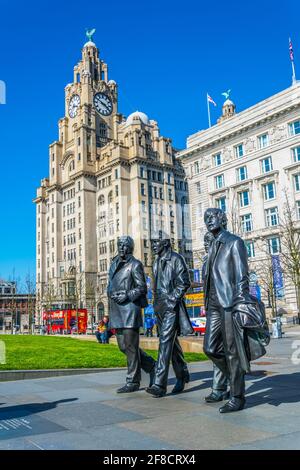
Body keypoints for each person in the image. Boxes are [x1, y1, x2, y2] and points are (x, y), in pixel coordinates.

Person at [203, 208, 268, 413]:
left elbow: (242, 276)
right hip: (213, 304)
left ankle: (237, 396)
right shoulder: (212, 245)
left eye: (212, 217)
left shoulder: (234, 242)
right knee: (210, 348)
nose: (208, 221)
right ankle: (234, 379)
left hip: (229, 303)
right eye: (206, 219)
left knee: (232, 352)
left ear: (222, 219)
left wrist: (241, 303)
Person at [146, 231, 193, 398]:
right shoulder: (157, 261)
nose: (153, 245)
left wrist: (172, 299)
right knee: (171, 344)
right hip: (159, 306)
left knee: (165, 343)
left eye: (156, 242)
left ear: (165, 243)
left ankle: (159, 384)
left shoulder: (176, 259)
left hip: (170, 306)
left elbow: (184, 282)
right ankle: (183, 374)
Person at [107, 235, 156, 393]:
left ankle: (133, 381)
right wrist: (110, 292)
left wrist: (127, 295)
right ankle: (152, 366)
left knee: (131, 347)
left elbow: (142, 288)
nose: (121, 247)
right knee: (123, 347)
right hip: (116, 310)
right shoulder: (114, 263)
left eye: (124, 245)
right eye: (119, 244)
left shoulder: (135, 265)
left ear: (131, 247)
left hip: (129, 310)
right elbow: (111, 283)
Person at [202, 231, 229, 403]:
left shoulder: (226, 252)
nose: (205, 244)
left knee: (225, 348)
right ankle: (233, 373)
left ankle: (219, 388)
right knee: (211, 348)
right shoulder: (206, 261)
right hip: (212, 307)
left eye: (209, 241)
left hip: (226, 305)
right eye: (204, 241)